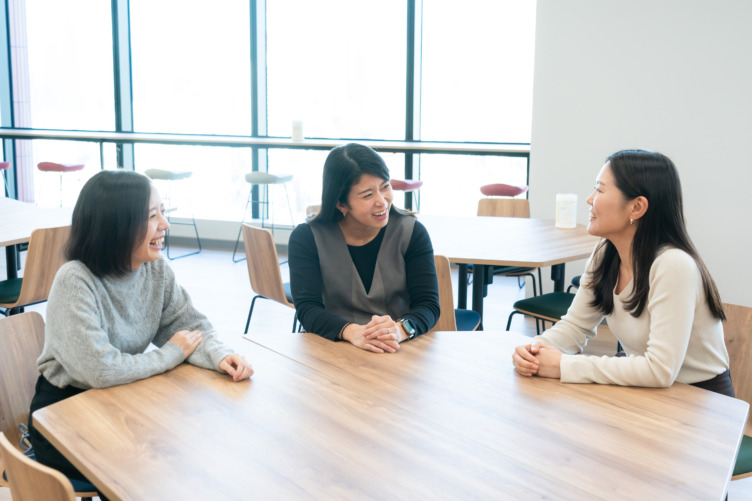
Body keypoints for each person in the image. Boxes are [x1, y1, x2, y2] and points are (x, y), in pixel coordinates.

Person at [28, 170, 253, 491]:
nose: (165, 224)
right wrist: (172, 353)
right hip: (63, 417)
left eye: (163, 211)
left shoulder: (155, 270)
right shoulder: (74, 280)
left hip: (119, 401)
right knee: (152, 466)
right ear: (116, 224)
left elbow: (190, 328)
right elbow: (100, 370)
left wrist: (220, 355)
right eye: (152, 216)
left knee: (188, 449)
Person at [512, 150, 732, 396]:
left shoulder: (673, 264)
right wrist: (534, 350)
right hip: (648, 390)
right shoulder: (606, 253)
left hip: (700, 401)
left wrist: (563, 365)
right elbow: (575, 326)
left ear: (637, 207)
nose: (589, 199)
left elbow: (660, 370)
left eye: (600, 190)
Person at [288, 143, 440, 353]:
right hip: (333, 347)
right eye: (367, 195)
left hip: (397, 349)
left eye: (385, 187)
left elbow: (428, 305)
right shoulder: (307, 238)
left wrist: (400, 330)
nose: (382, 201)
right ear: (341, 204)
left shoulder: (412, 232)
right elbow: (307, 309)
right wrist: (352, 332)